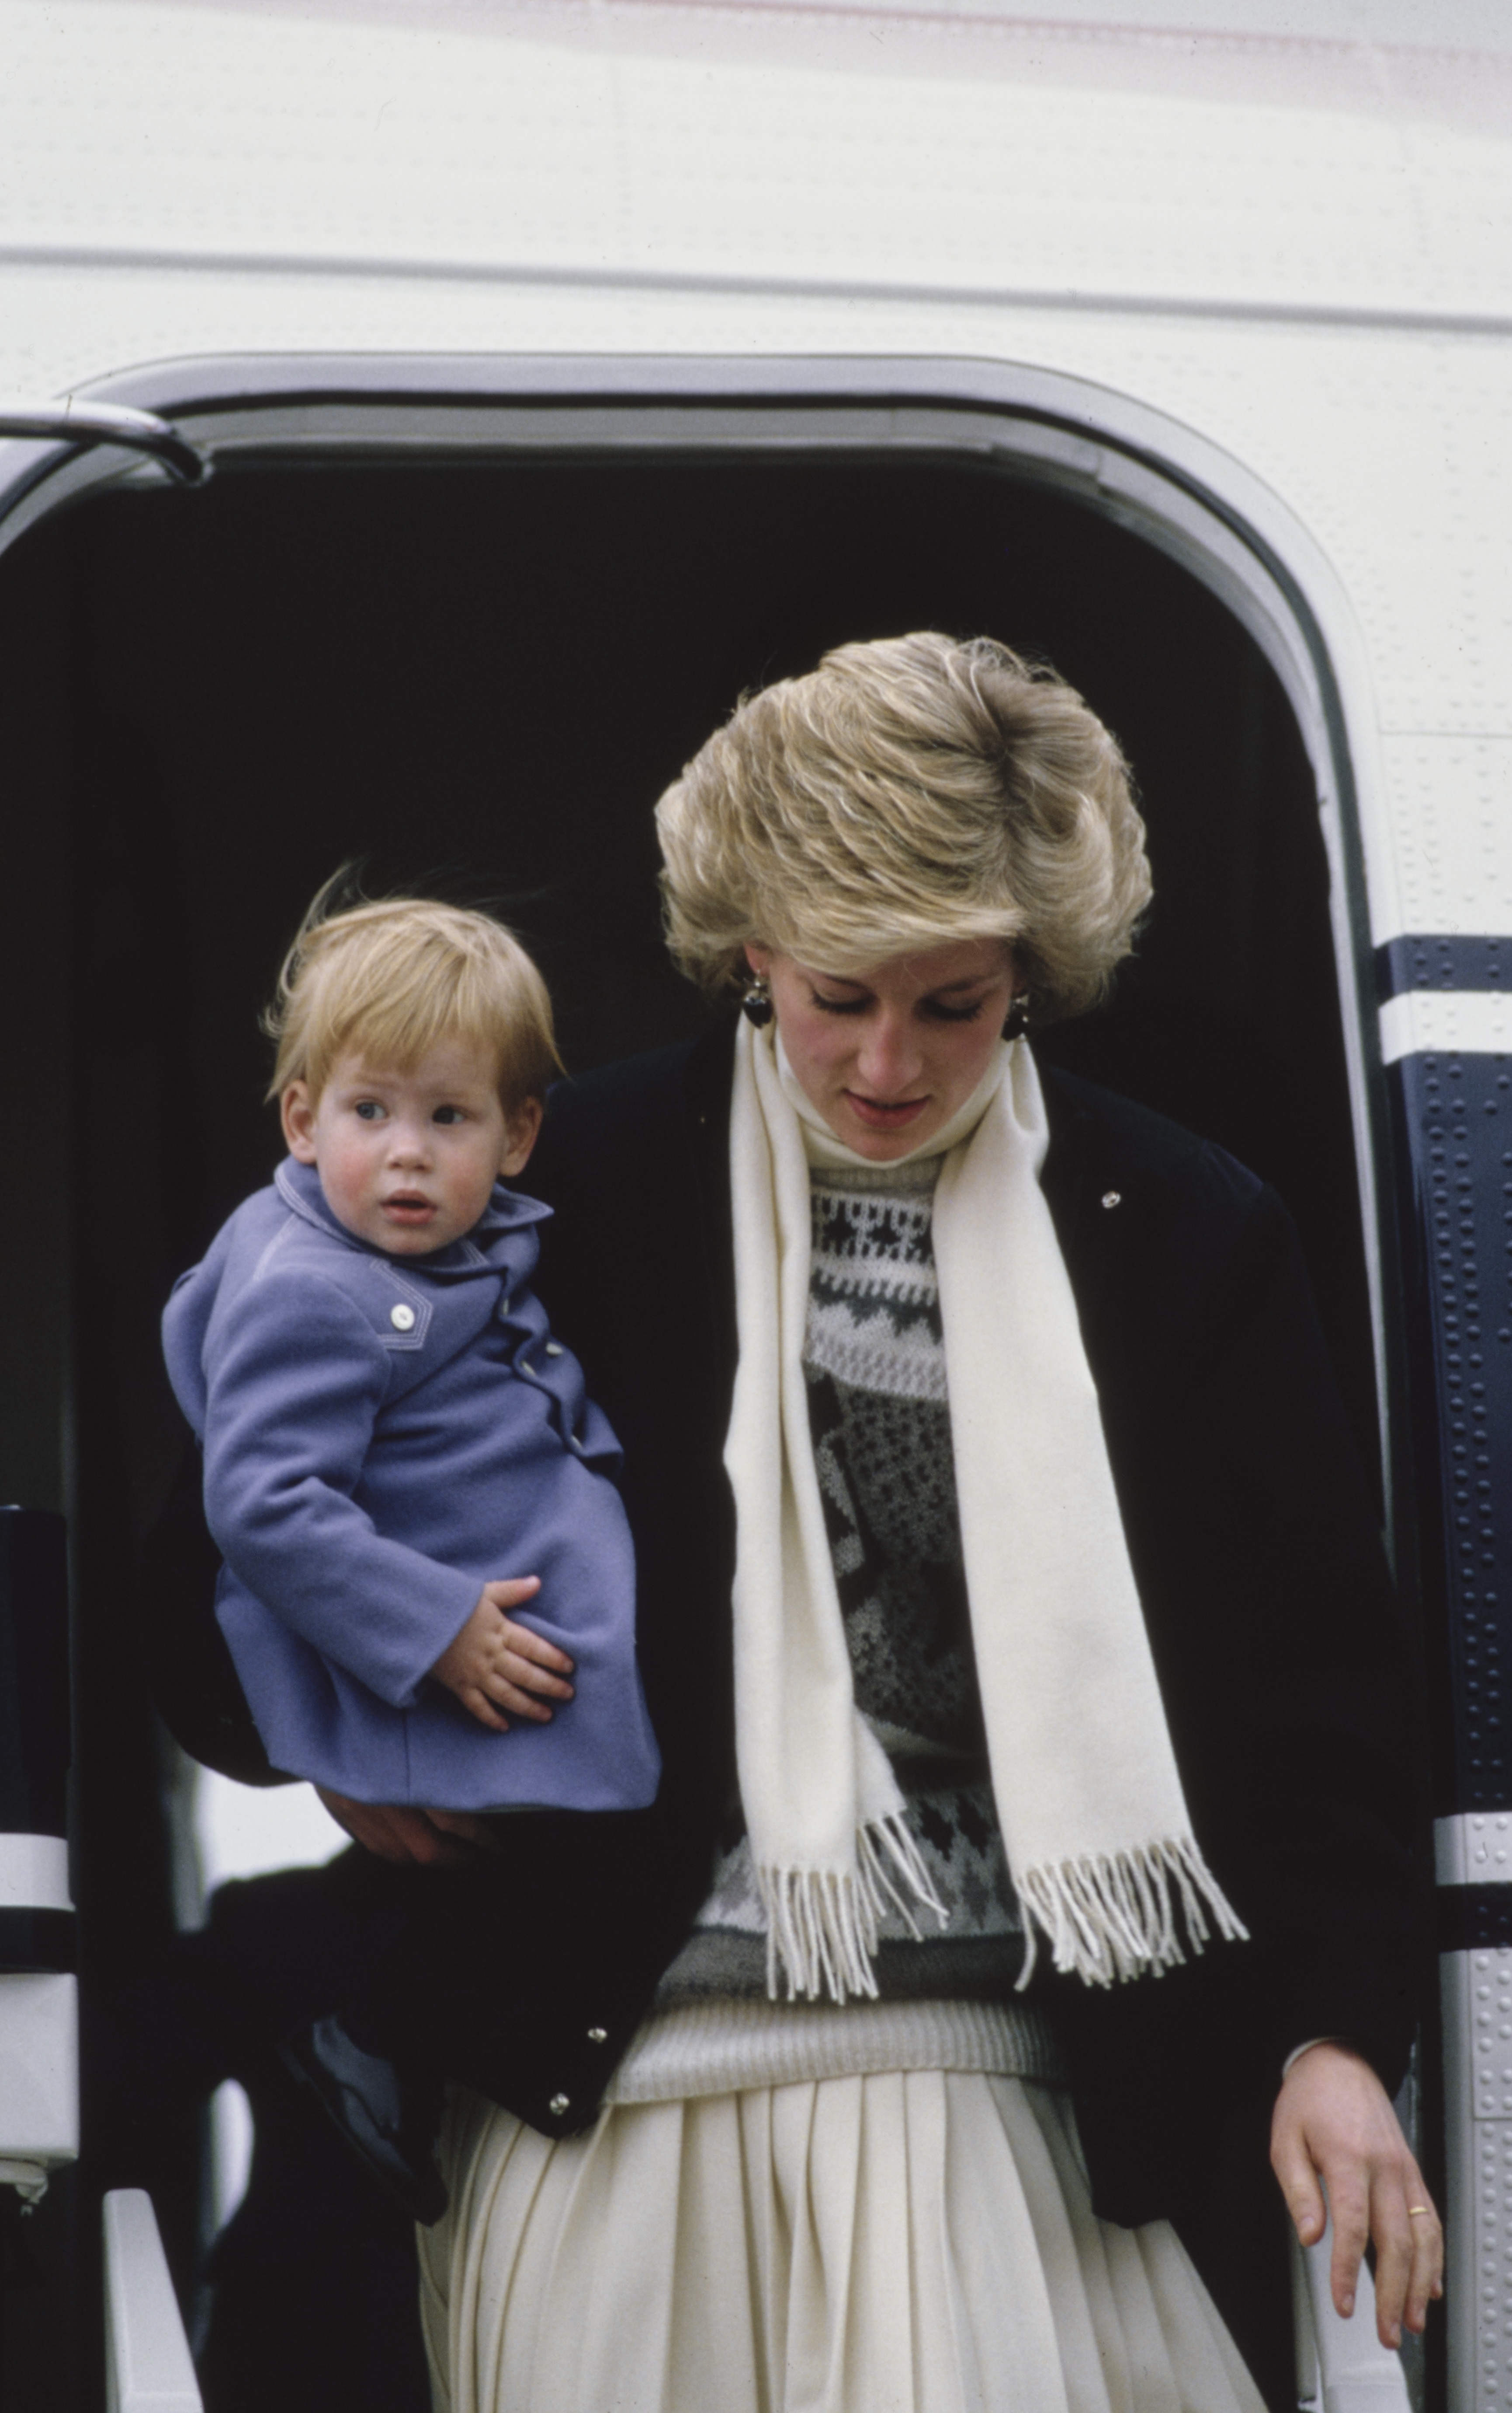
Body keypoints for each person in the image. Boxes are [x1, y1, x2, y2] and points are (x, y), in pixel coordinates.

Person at [159, 635, 1439, 2413]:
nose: (889, 1061)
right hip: (603, 2088)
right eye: (837, 994)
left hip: (1016, 2082)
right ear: (748, 951)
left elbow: (1316, 1697)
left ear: (1036, 981)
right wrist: (338, 1714)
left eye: (956, 1001)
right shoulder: (560, 1183)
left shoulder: (1180, 1225)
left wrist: (1335, 2034)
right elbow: (222, 1518)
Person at [160, 893, 659, 2220]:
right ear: (301, 1118)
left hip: (504, 1625)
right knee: (536, 1864)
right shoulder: (312, 1285)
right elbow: (262, 1499)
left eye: (449, 1120)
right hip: (444, 1648)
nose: (406, 1158)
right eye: (371, 1114)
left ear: (519, 1135)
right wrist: (434, 1629)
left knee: (539, 1866)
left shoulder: (453, 1246)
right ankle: (378, 2040)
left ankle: (392, 2037)